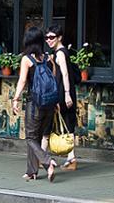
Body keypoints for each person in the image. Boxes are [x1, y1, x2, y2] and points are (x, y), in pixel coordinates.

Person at [11, 26, 58, 182]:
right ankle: (32, 171)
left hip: (35, 103)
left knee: (31, 138)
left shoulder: (26, 59)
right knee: (36, 137)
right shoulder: (49, 58)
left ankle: (47, 162)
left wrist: (15, 99)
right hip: (49, 104)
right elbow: (54, 80)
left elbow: (23, 81)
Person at [44, 24, 77, 170]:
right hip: (64, 93)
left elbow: (65, 74)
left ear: (59, 38)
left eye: (52, 37)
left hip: (63, 93)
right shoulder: (59, 53)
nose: (48, 40)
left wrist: (67, 94)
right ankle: (71, 158)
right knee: (68, 124)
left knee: (49, 124)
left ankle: (41, 156)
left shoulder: (61, 53)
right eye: (47, 37)